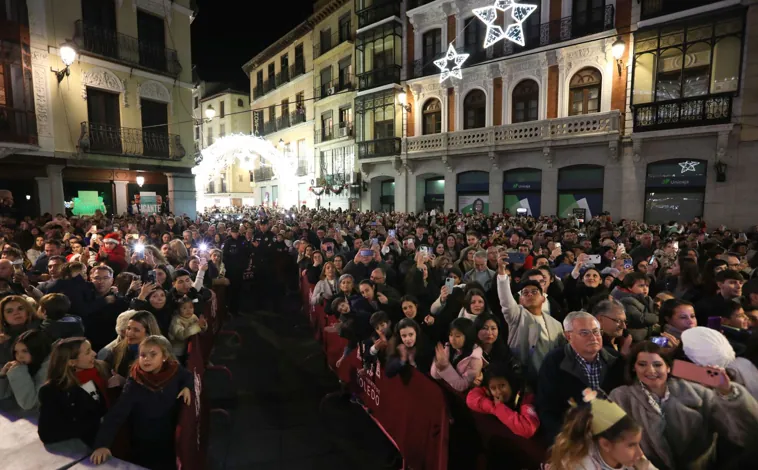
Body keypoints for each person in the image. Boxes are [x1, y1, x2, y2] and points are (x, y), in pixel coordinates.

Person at [609, 341, 758, 470]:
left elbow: (743, 434)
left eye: (657, 364)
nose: (650, 371)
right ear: (634, 368)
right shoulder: (620, 398)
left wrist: (728, 392)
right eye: (642, 364)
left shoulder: (699, 394)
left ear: (668, 367)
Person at [91, 336, 193, 469]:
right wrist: (102, 445)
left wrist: (187, 387)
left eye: (153, 354)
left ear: (164, 357)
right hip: (145, 440)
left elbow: (188, 376)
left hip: (168, 435)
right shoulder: (135, 382)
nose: (146, 359)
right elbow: (117, 413)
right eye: (143, 355)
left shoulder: (174, 370)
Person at [537, 311, 625, 444]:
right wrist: (565, 439)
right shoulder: (554, 362)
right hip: (573, 437)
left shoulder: (616, 360)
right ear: (568, 336)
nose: (593, 337)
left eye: (596, 331)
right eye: (585, 333)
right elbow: (547, 409)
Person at [547, 389, 656, 470]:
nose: (640, 452)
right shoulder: (580, 466)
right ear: (606, 445)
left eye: (638, 444)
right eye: (631, 445)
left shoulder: (633, 459)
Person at [496, 257, 563, 384]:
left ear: (543, 299)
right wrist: (501, 272)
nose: (530, 294)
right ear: (520, 300)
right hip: (524, 380)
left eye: (534, 292)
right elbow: (505, 300)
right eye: (525, 293)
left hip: (551, 379)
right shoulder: (516, 316)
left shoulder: (556, 324)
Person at [38, 337, 112, 446]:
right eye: (87, 352)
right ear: (71, 362)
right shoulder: (51, 391)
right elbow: (47, 433)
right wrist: (94, 424)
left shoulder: (98, 372)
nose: (94, 353)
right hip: (87, 449)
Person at [466, 362, 539, 439]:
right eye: (493, 388)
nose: (499, 392)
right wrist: (494, 407)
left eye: (502, 386)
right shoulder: (490, 393)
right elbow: (471, 399)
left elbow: (529, 428)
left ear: (510, 383)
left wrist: (500, 409)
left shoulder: (525, 395)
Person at [100, 310, 161, 380]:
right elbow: (106, 366)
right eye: (128, 328)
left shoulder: (158, 356)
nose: (129, 333)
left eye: (136, 330)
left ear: (148, 334)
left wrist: (123, 382)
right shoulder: (119, 348)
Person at [0, 330, 51, 409]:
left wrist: (18, 372)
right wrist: (2, 376)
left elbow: (29, 403)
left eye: (25, 351)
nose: (19, 356)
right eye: (16, 352)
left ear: (37, 350)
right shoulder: (25, 366)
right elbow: (2, 395)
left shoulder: (50, 367)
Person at [430, 317, 483, 392]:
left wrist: (445, 367)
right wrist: (439, 364)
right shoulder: (448, 347)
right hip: (444, 389)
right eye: (451, 335)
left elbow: (463, 386)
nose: (452, 339)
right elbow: (434, 375)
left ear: (468, 336)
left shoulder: (475, 359)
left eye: (457, 336)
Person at [611, 272, 658, 342]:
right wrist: (657, 317)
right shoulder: (626, 300)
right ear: (629, 287)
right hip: (633, 339)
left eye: (647, 286)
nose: (645, 288)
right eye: (641, 286)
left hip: (646, 337)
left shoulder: (647, 300)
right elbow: (639, 318)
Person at [385, 318, 433, 382]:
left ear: (416, 333)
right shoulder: (398, 346)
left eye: (411, 334)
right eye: (404, 336)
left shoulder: (425, 345)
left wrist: (413, 362)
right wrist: (402, 359)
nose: (408, 339)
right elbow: (388, 373)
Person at [0, 295, 37, 365]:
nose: (16, 313)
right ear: (3, 316)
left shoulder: (42, 330)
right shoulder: (2, 340)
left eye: (20, 308)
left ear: (27, 311)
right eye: (9, 311)